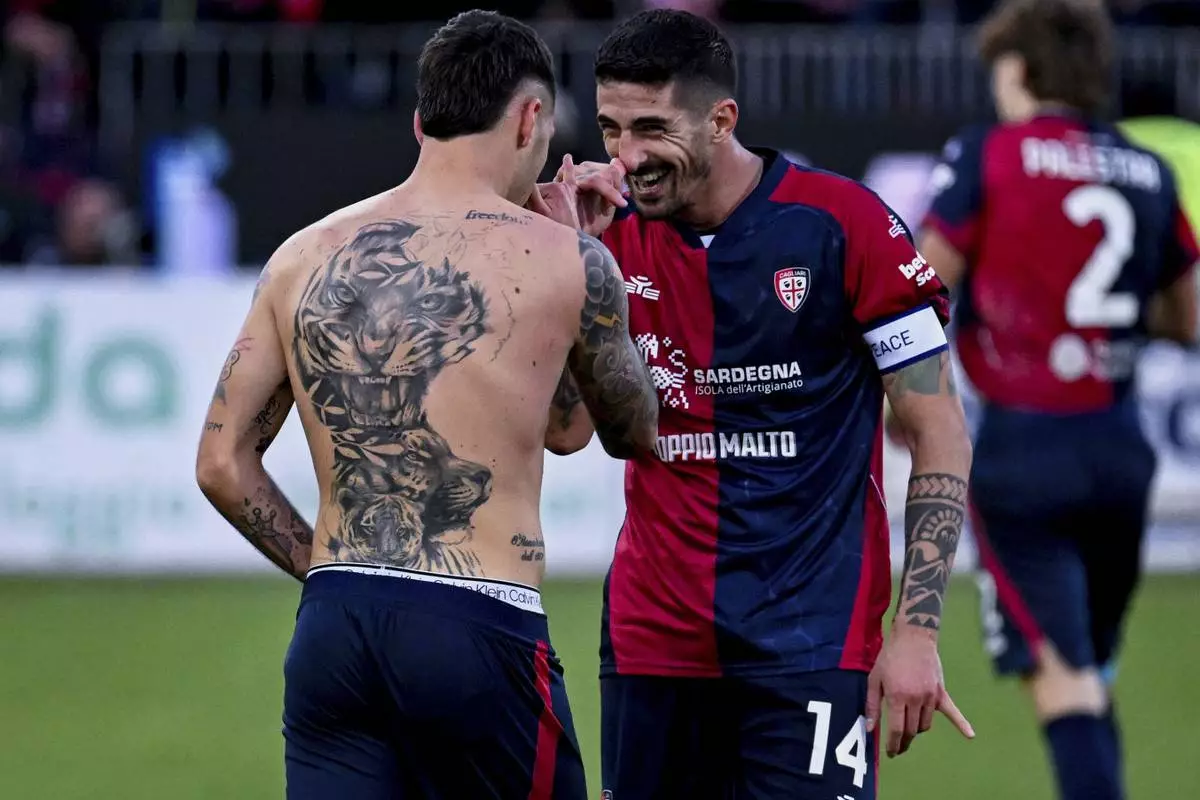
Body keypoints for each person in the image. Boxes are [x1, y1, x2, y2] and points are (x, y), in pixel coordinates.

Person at [194, 10, 659, 799]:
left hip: (337, 622)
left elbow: (220, 463)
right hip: (479, 621)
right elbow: (624, 430)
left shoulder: (302, 255)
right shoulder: (567, 259)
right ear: (530, 119)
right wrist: (590, 259)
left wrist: (324, 570)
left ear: (420, 122)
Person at [545, 9, 975, 799]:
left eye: (651, 128)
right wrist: (575, 267)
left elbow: (939, 428)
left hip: (812, 638)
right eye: (611, 129)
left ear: (721, 119)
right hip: (654, 641)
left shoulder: (845, 225)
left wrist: (916, 630)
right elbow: (569, 431)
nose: (627, 157)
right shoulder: (608, 238)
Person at [916, 2, 1199, 799]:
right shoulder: (1147, 168)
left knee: (1063, 680)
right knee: (1090, 672)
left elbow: (922, 287)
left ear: (1017, 69)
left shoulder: (990, 154)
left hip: (1024, 455)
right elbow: (1187, 320)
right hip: (1121, 452)